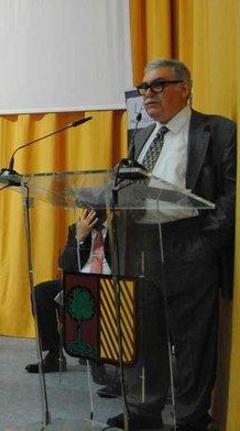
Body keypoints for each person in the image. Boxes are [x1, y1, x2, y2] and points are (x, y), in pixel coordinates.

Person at [104, 59, 236, 431]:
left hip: (189, 248)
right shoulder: (142, 137)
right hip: (141, 248)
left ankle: (191, 419)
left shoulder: (217, 131)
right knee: (145, 340)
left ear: (185, 87)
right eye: (144, 87)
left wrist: (206, 244)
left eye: (157, 85)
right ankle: (145, 411)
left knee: (192, 344)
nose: (147, 94)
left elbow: (231, 193)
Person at [24, 208, 109, 374]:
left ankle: (95, 357)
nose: (90, 213)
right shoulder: (75, 229)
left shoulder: (115, 231)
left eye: (95, 209)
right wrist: (79, 238)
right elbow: (66, 264)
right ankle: (54, 355)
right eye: (88, 209)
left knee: (87, 298)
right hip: (77, 282)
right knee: (40, 293)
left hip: (106, 284)